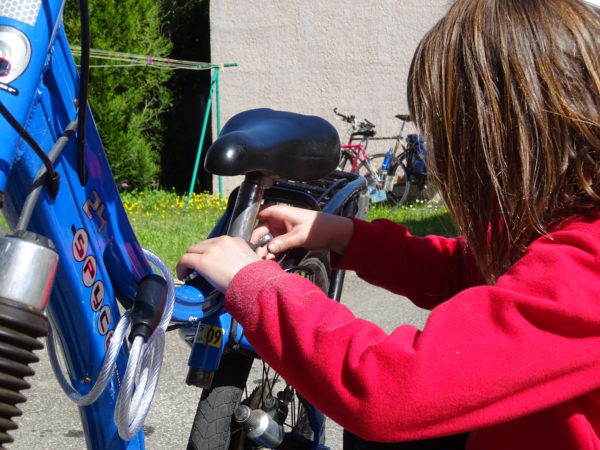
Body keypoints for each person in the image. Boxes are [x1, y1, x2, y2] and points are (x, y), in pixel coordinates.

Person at [177, 0, 600, 448]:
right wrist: (345, 236)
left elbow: (390, 391)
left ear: (506, 141)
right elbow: (468, 270)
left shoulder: (587, 271)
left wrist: (254, 284)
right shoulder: (558, 224)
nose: (435, 156)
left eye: (445, 134)